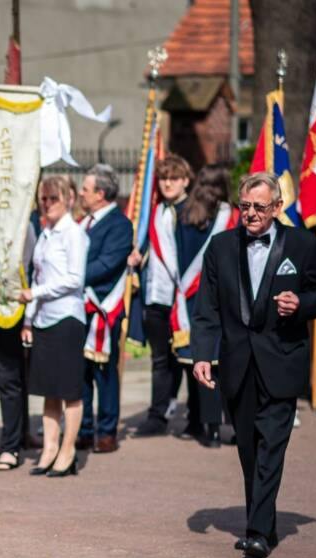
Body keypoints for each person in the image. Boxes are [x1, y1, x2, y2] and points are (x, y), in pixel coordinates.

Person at [192, 172, 316, 558]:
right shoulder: (220, 247)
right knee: (249, 450)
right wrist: (203, 354)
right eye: (245, 206)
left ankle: (256, 533)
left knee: (272, 444)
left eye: (259, 207)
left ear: (277, 208)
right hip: (237, 365)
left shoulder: (302, 245)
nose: (251, 214)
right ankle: (264, 523)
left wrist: (300, 305)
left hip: (282, 360)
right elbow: (207, 308)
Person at [20, 176, 89, 477]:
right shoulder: (46, 234)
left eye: (53, 199)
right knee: (49, 389)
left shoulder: (73, 233)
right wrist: (28, 318)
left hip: (67, 317)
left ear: (68, 199)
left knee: (69, 389)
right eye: (43, 200)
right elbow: (38, 276)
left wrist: (35, 294)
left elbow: (75, 279)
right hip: (45, 318)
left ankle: (68, 449)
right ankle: (49, 448)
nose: (46, 204)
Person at [128, 155, 191, 437]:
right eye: (164, 178)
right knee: (160, 358)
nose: (167, 183)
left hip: (182, 296)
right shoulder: (152, 212)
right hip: (156, 295)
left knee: (187, 358)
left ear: (185, 181)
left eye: (174, 178)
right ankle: (158, 414)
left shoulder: (191, 211)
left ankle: (197, 414)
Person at [173, 166, 234, 448]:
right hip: (221, 297)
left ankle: (204, 426)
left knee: (198, 363)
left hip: (189, 296)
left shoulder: (185, 214)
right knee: (222, 366)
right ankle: (231, 426)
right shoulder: (230, 216)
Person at [76, 164, 133, 454]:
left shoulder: (120, 225)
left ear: (100, 193)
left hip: (103, 308)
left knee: (104, 372)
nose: (81, 193)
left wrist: (70, 276)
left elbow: (108, 264)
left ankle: (107, 430)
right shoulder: (82, 222)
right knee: (81, 372)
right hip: (78, 307)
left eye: (85, 189)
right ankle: (84, 429)